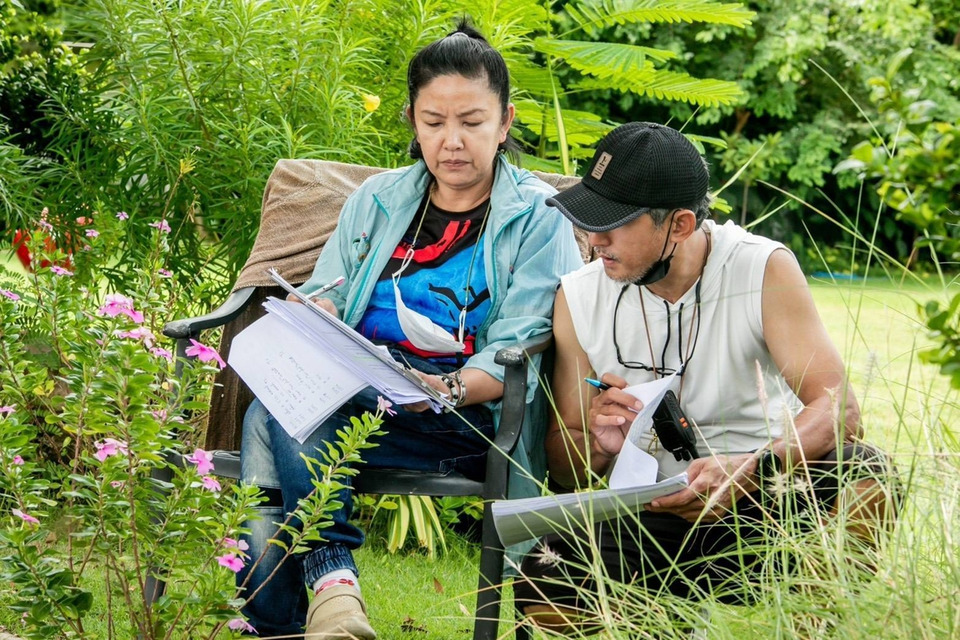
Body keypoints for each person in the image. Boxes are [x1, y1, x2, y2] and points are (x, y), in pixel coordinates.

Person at [235, 21, 583, 639]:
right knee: (284, 407)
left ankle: (300, 609)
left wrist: (448, 388)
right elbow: (333, 286)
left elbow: (520, 343)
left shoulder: (538, 217)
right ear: (413, 122)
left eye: (472, 122)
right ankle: (328, 600)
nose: (452, 141)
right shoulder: (378, 199)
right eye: (434, 122)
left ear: (504, 123)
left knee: (273, 418)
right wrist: (321, 309)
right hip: (358, 397)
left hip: (465, 415)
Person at [513, 122, 897, 632]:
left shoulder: (761, 268)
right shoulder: (578, 296)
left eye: (614, 224)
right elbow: (566, 471)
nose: (595, 240)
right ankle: (661, 623)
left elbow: (839, 407)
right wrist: (599, 446)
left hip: (764, 496)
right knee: (543, 588)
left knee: (866, 474)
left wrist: (752, 467)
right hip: (650, 509)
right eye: (588, 219)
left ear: (680, 224)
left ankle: (811, 624)